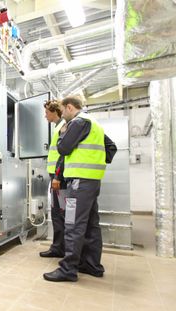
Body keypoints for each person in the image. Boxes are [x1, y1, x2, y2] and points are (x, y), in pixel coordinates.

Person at [43, 96, 117, 282]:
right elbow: (110, 148)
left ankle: (68, 269)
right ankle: (92, 265)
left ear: (69, 107)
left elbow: (64, 148)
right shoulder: (94, 123)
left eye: (63, 110)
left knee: (73, 223)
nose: (63, 114)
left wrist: (64, 138)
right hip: (91, 180)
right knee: (91, 223)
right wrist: (96, 162)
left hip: (79, 181)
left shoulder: (78, 121)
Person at [40, 100, 67, 258]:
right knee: (57, 212)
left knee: (60, 212)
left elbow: (63, 154)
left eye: (47, 112)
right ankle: (58, 247)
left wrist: (57, 176)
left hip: (59, 178)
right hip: (56, 176)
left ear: (55, 112)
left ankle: (60, 248)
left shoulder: (63, 126)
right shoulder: (58, 127)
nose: (45, 115)